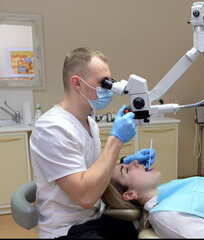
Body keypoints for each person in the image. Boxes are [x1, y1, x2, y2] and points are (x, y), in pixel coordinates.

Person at [30, 47, 155, 239]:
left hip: (94, 215)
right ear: (77, 83)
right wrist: (116, 141)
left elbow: (91, 171)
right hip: (67, 227)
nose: (110, 89)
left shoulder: (88, 122)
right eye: (103, 82)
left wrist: (124, 161)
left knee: (140, 226)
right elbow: (86, 197)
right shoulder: (52, 128)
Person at [102, 160, 204, 238]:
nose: (135, 162)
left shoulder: (172, 190)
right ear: (130, 194)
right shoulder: (165, 215)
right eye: (126, 170)